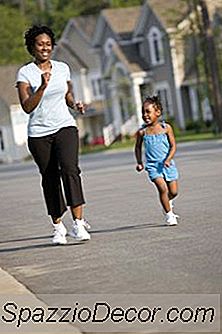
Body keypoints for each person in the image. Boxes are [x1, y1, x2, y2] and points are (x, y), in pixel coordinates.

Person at [16, 25, 91, 244]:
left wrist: (74, 104)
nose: (45, 48)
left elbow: (67, 94)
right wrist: (41, 87)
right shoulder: (25, 73)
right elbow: (27, 107)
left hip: (65, 126)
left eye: (48, 44)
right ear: (32, 47)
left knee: (70, 170)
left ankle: (78, 224)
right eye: (40, 44)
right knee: (49, 177)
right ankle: (58, 227)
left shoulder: (63, 68)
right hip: (39, 133)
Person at [134, 96, 179, 226]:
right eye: (143, 112)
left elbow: (173, 146)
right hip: (153, 166)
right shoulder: (142, 132)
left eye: (148, 111)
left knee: (174, 192)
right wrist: (139, 162)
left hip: (168, 164)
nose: (145, 115)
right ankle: (169, 215)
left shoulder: (166, 128)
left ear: (158, 112)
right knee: (162, 189)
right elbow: (137, 147)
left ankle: (167, 202)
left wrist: (168, 159)